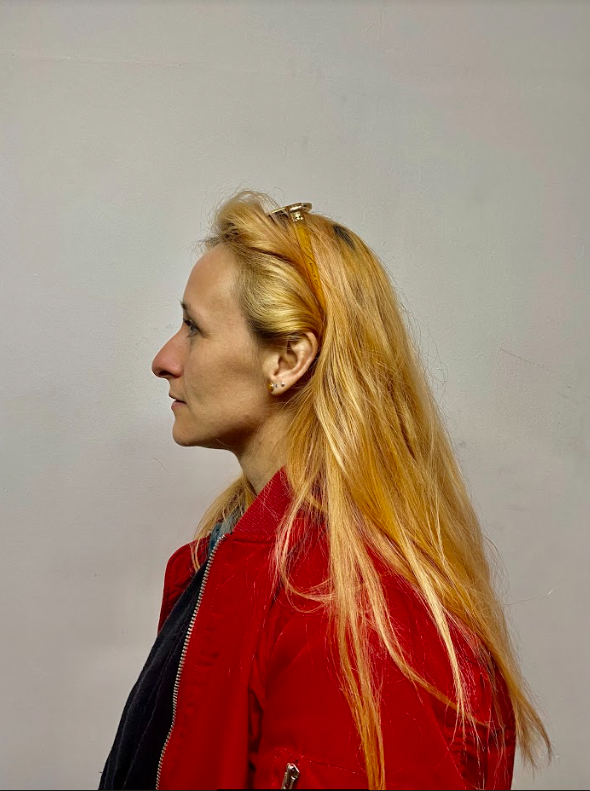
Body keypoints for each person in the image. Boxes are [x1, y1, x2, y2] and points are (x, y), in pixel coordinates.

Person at [98, 191, 552, 790]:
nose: (164, 359)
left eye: (195, 328)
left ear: (288, 359)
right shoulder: (235, 565)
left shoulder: (353, 613)